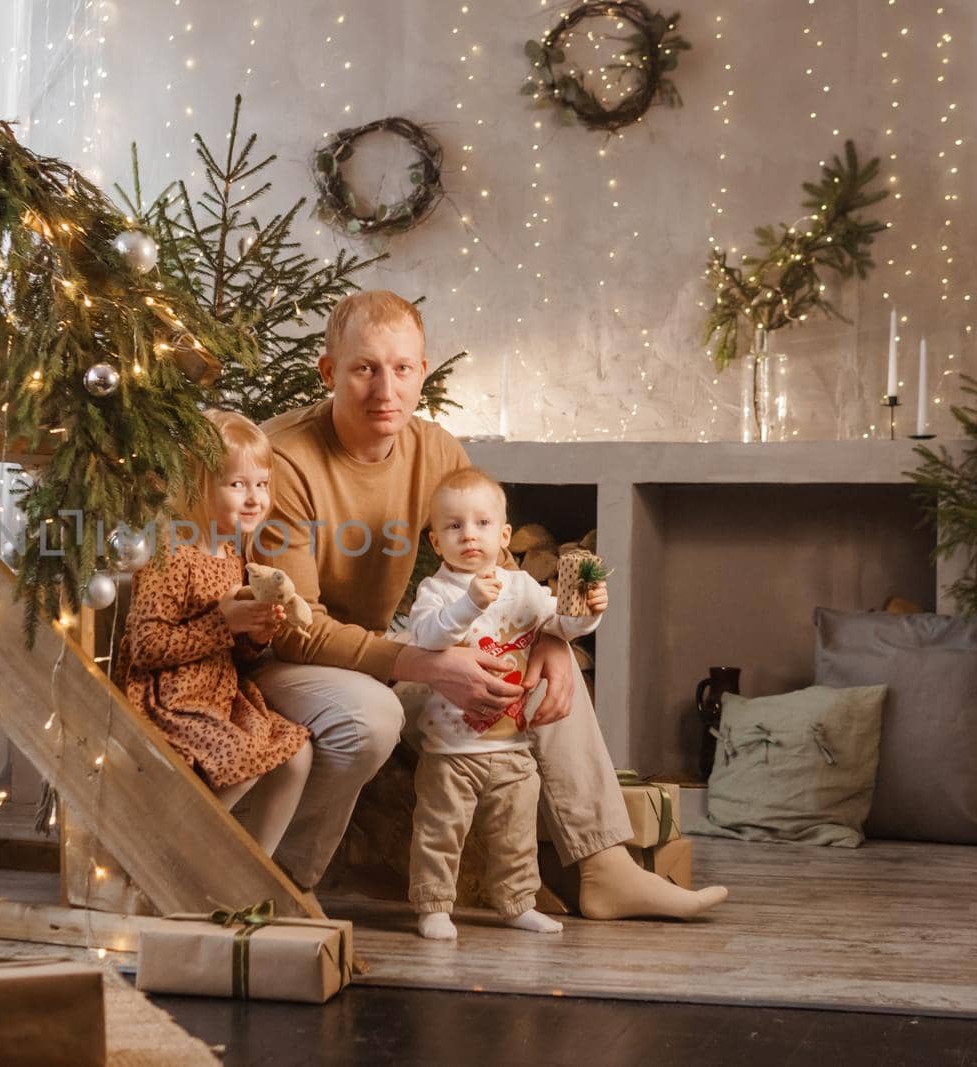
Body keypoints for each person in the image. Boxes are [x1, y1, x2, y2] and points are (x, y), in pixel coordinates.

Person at [253, 290, 728, 920]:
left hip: (381, 644)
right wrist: (423, 665)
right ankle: (285, 880)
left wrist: (551, 641)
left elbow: (498, 573)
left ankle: (607, 867)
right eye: (364, 368)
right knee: (372, 715)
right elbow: (295, 630)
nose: (384, 388)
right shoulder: (283, 459)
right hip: (282, 657)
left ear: (423, 371)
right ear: (328, 371)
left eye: (402, 368)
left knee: (537, 676)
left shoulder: (435, 450)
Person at [406, 467, 606, 940]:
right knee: (440, 833)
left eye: (481, 524)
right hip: (451, 749)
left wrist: (588, 614)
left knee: (515, 835)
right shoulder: (437, 592)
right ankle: (434, 906)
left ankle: (516, 903)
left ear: (505, 535)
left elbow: (558, 626)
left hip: (514, 746)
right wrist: (469, 604)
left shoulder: (521, 589)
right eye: (454, 527)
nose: (469, 535)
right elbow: (427, 637)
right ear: (436, 543)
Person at [117, 410, 312, 855]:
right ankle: (172, 855)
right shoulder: (170, 552)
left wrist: (255, 635)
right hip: (169, 700)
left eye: (261, 484)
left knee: (296, 754)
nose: (254, 498)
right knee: (244, 759)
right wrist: (223, 625)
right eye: (237, 484)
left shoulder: (230, 551)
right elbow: (146, 646)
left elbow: (237, 652)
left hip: (220, 694)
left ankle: (253, 871)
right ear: (197, 486)